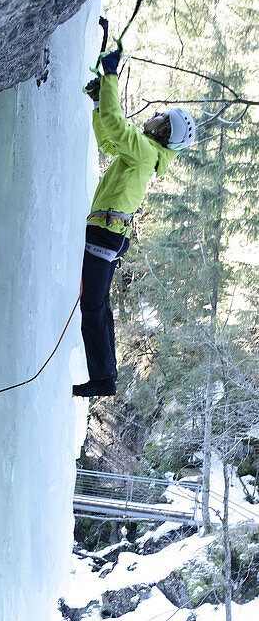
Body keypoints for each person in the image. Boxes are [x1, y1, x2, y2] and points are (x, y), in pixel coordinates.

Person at [73, 48, 196, 398]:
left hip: (106, 233)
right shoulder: (143, 149)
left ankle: (103, 379)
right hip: (108, 232)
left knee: (93, 305)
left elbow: (116, 125)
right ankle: (105, 375)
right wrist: (99, 102)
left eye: (161, 117)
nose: (155, 117)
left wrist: (110, 77)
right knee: (98, 304)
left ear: (165, 132)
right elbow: (109, 141)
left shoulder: (146, 151)